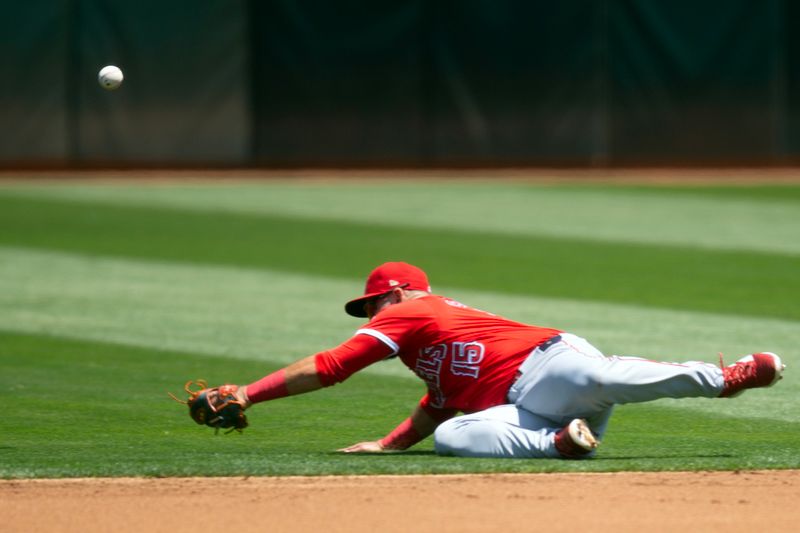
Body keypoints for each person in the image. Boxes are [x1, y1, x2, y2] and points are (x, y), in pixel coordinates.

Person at [211, 261, 785, 459]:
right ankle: (562, 446)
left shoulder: (412, 311)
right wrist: (388, 446)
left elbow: (332, 367)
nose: (372, 313)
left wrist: (248, 392)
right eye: (368, 307)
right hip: (530, 415)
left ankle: (725, 378)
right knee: (454, 438)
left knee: (602, 375)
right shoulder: (424, 352)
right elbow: (438, 406)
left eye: (375, 301)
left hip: (550, 369)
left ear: (402, 292)